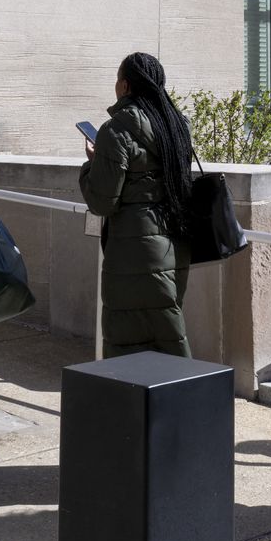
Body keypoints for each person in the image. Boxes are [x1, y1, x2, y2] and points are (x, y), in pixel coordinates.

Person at [79, 52, 196, 358]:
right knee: (166, 338)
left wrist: (90, 166)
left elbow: (103, 201)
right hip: (174, 244)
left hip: (135, 251)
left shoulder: (116, 129)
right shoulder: (177, 125)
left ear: (126, 86)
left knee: (129, 347)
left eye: (117, 79)